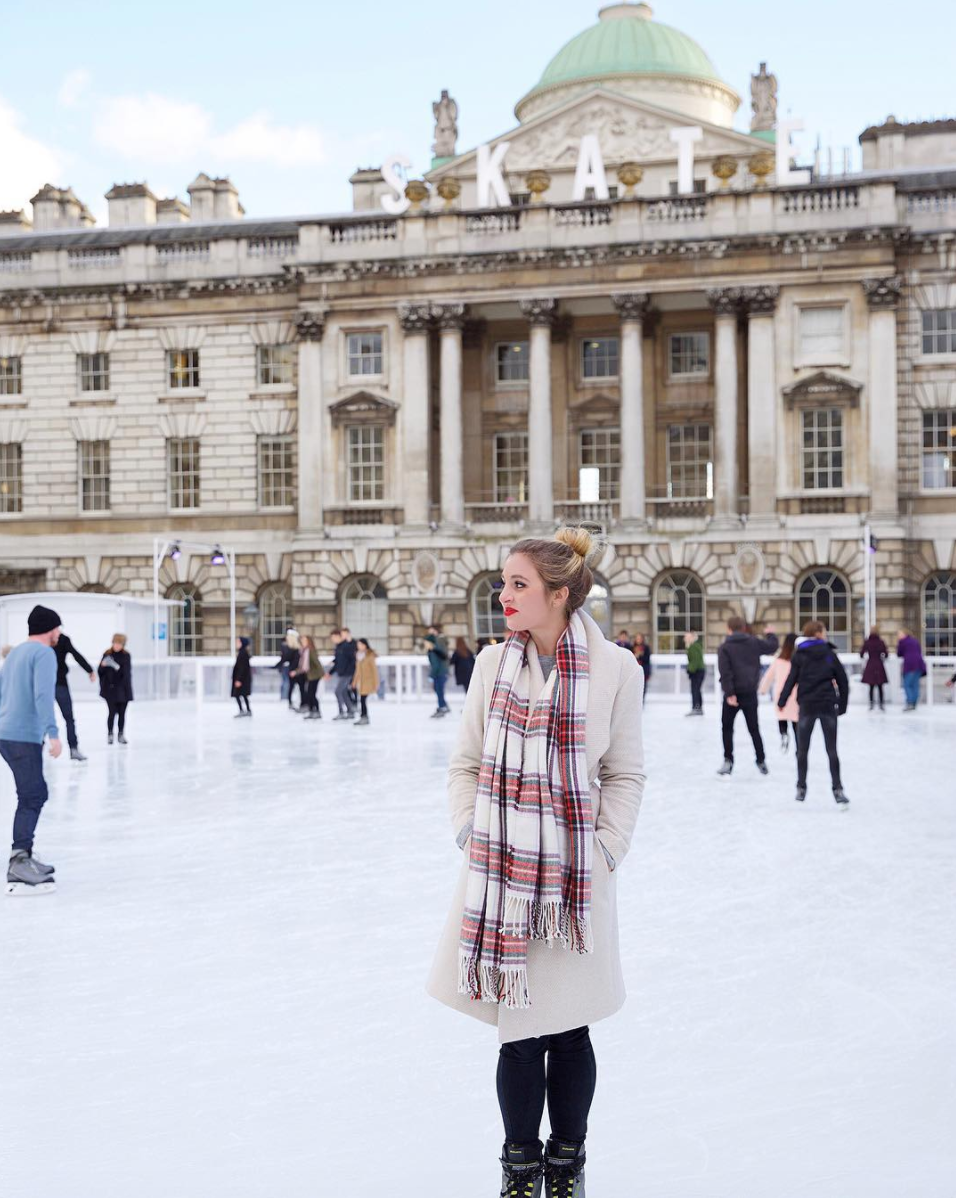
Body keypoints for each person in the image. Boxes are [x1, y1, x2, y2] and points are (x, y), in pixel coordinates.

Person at [427, 528, 645, 1197]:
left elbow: (625, 774)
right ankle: (520, 1167)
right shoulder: (493, 666)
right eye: (503, 582)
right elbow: (464, 764)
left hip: (575, 885)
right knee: (519, 1036)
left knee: (570, 1032)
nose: (504, 595)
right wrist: (472, 832)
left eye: (518, 584)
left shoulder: (616, 672)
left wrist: (605, 850)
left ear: (559, 594)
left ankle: (567, 1163)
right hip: (505, 878)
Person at [0, 605, 62, 895]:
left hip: (6, 733)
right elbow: (43, 695)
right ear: (49, 629)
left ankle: (24, 853)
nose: (59, 633)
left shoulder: (15, 654)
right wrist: (53, 733)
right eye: (57, 628)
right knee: (33, 794)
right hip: (23, 735)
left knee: (35, 792)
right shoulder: (44, 654)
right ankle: (19, 860)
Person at [778, 621, 849, 805]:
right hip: (826, 705)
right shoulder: (828, 654)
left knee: (802, 750)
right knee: (831, 750)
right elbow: (843, 681)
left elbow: (791, 679)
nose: (825, 634)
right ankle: (838, 789)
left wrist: (782, 700)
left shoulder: (800, 655)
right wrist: (842, 705)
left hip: (808, 705)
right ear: (817, 633)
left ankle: (801, 787)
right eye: (824, 631)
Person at [716, 616, 778, 777]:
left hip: (733, 695)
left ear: (729, 629)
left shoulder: (725, 647)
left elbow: (725, 671)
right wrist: (770, 634)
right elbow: (772, 646)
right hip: (750, 693)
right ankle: (761, 760)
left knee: (727, 728)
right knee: (754, 728)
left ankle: (728, 760)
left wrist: (729, 693)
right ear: (743, 628)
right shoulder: (753, 642)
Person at [53, 628, 96, 762]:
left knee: (68, 718)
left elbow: (75, 655)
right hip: (47, 684)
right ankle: (40, 746)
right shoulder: (43, 640)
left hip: (59, 683)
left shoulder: (62, 639)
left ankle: (73, 748)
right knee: (46, 718)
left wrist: (89, 669)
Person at [759, 633, 799, 752]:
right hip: (796, 693)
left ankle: (784, 734)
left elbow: (768, 676)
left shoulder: (779, 660)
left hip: (780, 693)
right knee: (796, 720)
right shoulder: (799, 659)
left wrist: (763, 689)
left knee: (782, 716)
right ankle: (799, 745)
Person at [98, 633, 133, 744]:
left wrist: (117, 669)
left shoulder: (126, 656)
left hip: (123, 690)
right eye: (115, 643)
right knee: (111, 713)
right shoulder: (107, 654)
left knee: (122, 713)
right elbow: (100, 672)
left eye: (119, 644)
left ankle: (121, 734)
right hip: (110, 690)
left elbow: (126, 674)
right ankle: (110, 734)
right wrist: (103, 665)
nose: (117, 646)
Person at [329, 628, 357, 720]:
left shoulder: (347, 646)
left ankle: (341, 711)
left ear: (338, 636)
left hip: (347, 674)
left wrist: (352, 674)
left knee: (338, 691)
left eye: (333, 638)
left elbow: (352, 660)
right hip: (341, 673)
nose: (332, 640)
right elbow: (337, 662)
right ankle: (350, 710)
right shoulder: (338, 647)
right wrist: (330, 673)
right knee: (344, 692)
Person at [896, 629, 927, 711]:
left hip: (910, 665)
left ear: (904, 634)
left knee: (907, 684)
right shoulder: (914, 641)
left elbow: (899, 653)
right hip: (919, 665)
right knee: (915, 685)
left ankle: (910, 702)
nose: (898, 636)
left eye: (899, 634)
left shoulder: (903, 642)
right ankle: (914, 702)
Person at [424, 625, 451, 718]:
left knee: (439, 690)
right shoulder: (434, 649)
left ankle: (442, 707)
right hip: (441, 672)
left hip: (439, 673)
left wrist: (431, 676)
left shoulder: (435, 649)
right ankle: (443, 705)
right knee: (438, 690)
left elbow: (436, 664)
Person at [351, 638, 380, 726]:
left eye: (360, 645)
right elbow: (357, 671)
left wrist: (376, 683)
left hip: (368, 681)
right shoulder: (358, 656)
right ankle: (363, 716)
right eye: (358, 645)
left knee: (363, 699)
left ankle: (364, 716)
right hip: (361, 682)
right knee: (362, 699)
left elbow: (374, 671)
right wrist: (354, 681)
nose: (358, 646)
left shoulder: (370, 656)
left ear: (365, 645)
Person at [860, 626, 889, 711]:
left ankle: (871, 703)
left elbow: (861, 653)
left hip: (871, 664)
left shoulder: (867, 642)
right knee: (880, 686)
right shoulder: (881, 642)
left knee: (871, 686)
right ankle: (881, 704)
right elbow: (886, 654)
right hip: (879, 664)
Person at [298, 634, 324, 720]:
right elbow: (303, 666)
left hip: (315, 675)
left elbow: (317, 662)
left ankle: (316, 710)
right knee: (309, 693)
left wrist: (323, 673)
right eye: (302, 640)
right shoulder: (304, 651)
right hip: (310, 675)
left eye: (305, 640)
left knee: (311, 693)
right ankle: (312, 710)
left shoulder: (310, 651)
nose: (303, 642)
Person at [274, 629, 299, 707]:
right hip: (288, 668)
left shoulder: (293, 647)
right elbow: (284, 658)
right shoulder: (286, 646)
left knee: (288, 683)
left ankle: (287, 699)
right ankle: (286, 699)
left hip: (293, 669)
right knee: (287, 683)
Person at [683, 632, 705, 716]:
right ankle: (698, 707)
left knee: (695, 689)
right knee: (696, 689)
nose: (685, 639)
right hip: (699, 671)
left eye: (686, 637)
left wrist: (690, 670)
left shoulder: (693, 646)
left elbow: (695, 661)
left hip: (697, 671)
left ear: (691, 638)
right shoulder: (694, 646)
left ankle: (696, 708)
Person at [232, 636, 252, 717]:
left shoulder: (243, 653)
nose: (236, 644)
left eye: (238, 642)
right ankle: (246, 710)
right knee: (242, 695)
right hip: (242, 679)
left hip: (242, 679)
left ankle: (244, 710)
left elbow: (242, 668)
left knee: (239, 695)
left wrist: (239, 679)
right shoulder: (242, 652)